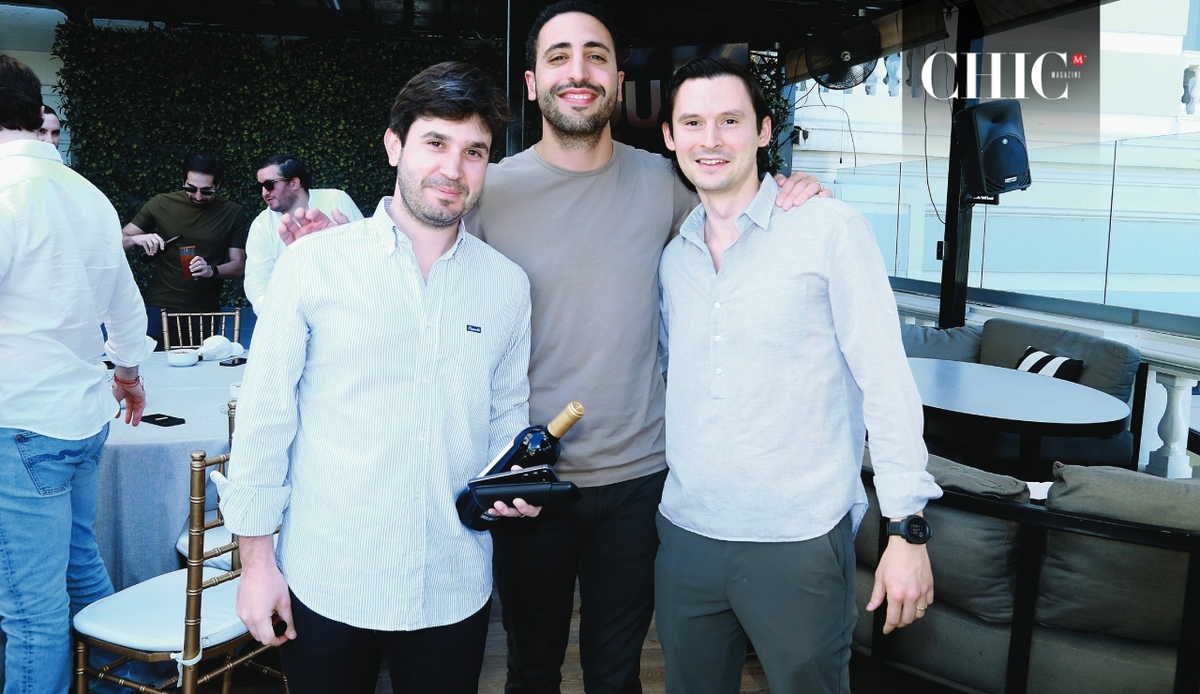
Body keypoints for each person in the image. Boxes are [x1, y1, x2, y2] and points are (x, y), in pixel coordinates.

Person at [278, 5, 826, 690]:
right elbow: (416, 267)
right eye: (559, 55)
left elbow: (740, 228)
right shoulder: (485, 184)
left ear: (618, 80)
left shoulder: (665, 183)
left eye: (596, 55)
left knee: (615, 673)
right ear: (534, 82)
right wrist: (340, 249)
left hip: (639, 477)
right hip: (527, 480)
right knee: (531, 669)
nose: (579, 70)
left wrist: (791, 189)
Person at [215, 61, 536, 693]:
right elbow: (265, 417)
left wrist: (515, 478)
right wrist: (255, 564)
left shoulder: (506, 285)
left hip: (452, 582)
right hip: (328, 579)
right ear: (394, 146)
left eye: (473, 152)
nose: (453, 169)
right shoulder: (313, 265)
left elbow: (506, 411)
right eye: (435, 143)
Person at [654, 56, 942, 693]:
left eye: (730, 120)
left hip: (798, 539)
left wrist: (906, 528)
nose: (710, 139)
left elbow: (886, 382)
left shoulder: (830, 230)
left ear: (763, 130)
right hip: (686, 533)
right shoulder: (675, 258)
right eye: (692, 123)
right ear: (670, 137)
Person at [0, 53, 153, 694]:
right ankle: (127, 686)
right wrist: (129, 375)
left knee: (31, 614)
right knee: (80, 569)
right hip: (82, 419)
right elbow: (126, 305)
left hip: (20, 423)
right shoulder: (87, 193)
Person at [121, 153, 248, 347]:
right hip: (159, 307)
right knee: (153, 362)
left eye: (206, 191)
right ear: (183, 182)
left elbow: (238, 266)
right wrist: (136, 238)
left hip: (205, 311)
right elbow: (117, 242)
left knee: (203, 364)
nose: (198, 196)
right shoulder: (161, 203)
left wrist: (211, 270)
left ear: (218, 185)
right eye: (191, 189)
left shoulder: (232, 212)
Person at [243, 154, 363, 314]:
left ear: (294, 183)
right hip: (294, 314)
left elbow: (368, 252)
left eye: (269, 185)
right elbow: (257, 282)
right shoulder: (261, 225)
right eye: (260, 187)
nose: (264, 193)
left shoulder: (336, 199)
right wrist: (275, 317)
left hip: (348, 306)